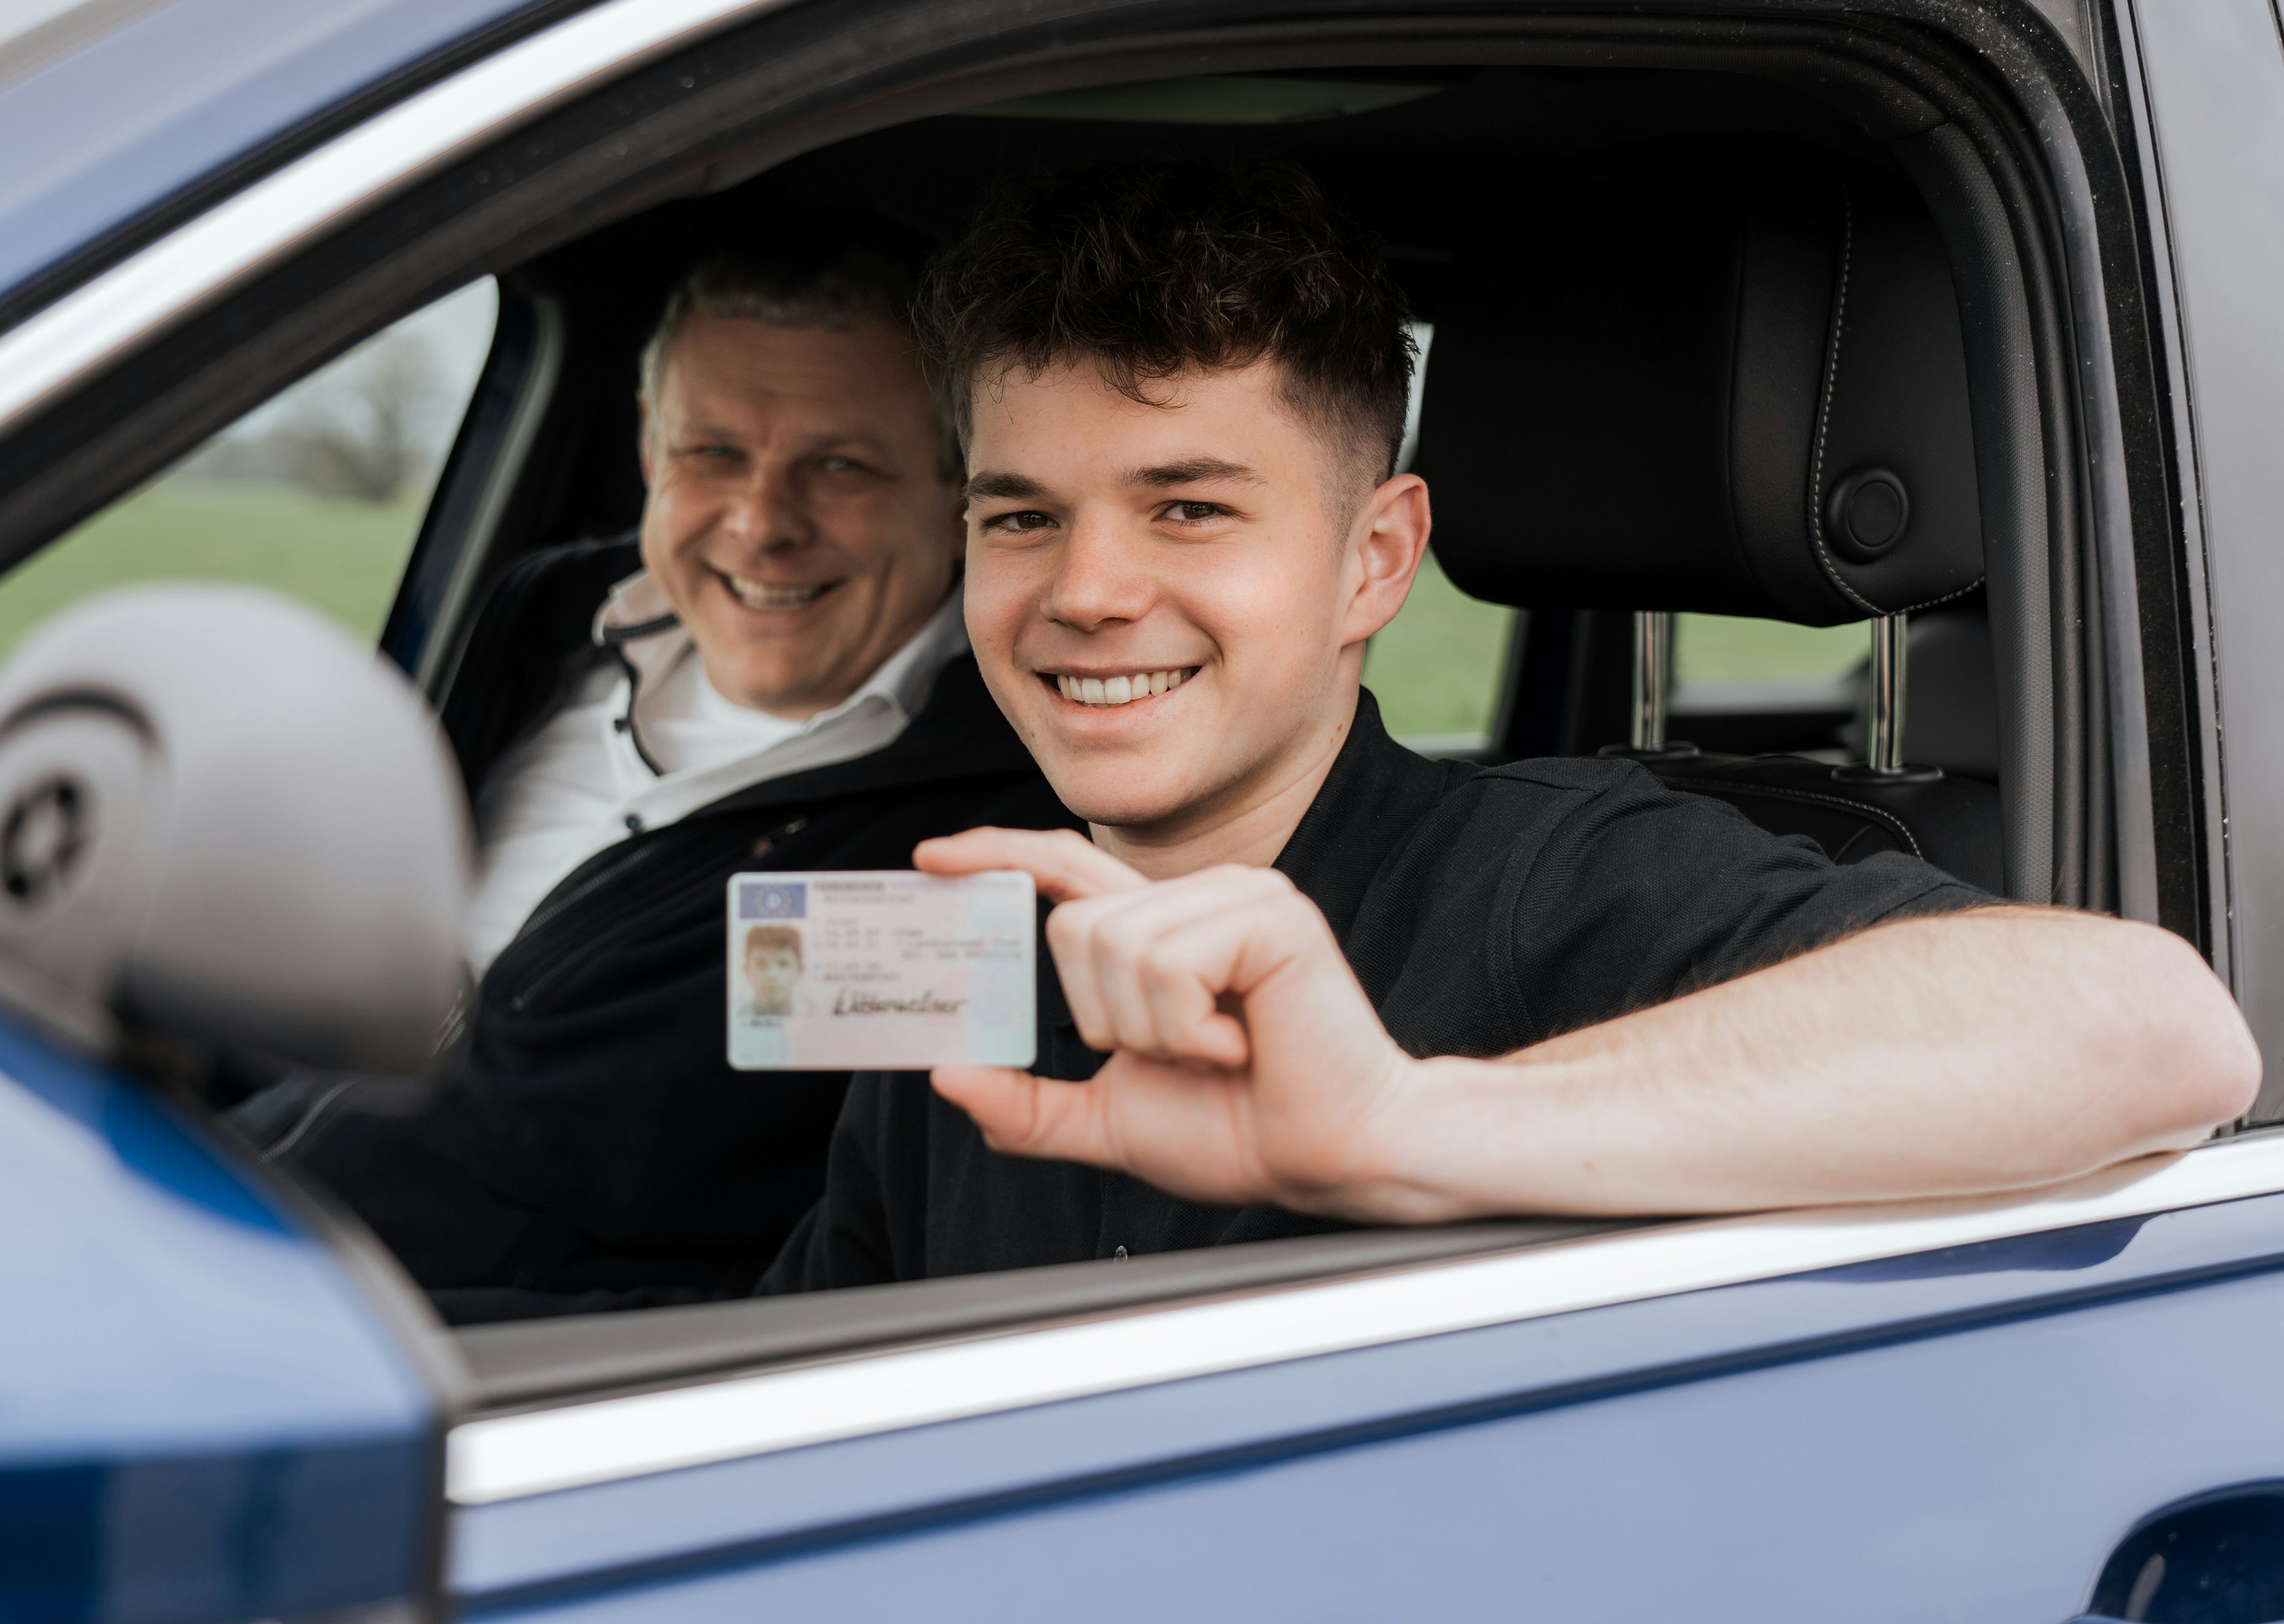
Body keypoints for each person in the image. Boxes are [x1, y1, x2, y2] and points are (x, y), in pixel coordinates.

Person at [761, 165, 2260, 1290]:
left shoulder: (1546, 879)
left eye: (1188, 508)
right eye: (1021, 515)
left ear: (1374, 560)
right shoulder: (969, 947)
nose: (1083, 590)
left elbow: (2154, 1033)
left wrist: (1397, 1126)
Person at [255, 222, 1074, 1320]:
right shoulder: (538, 616)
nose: (761, 524)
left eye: (842, 465)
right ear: (650, 453)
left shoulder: (1002, 817)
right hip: (218, 1208)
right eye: (714, 455)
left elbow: (723, 1205)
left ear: (956, 491)